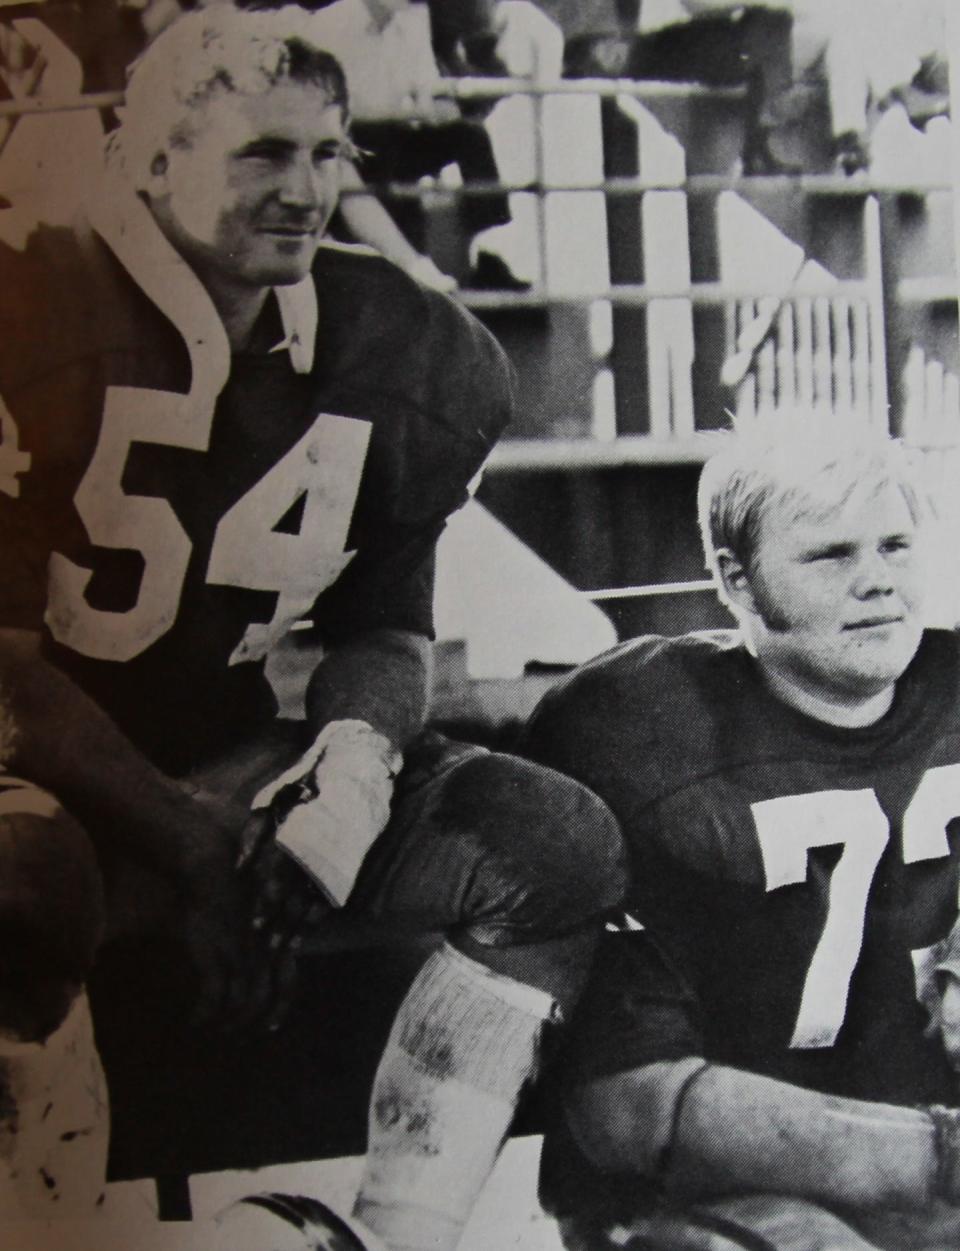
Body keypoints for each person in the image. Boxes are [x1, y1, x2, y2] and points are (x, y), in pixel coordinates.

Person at [0, 5, 626, 1246]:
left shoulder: (399, 341)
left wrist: (337, 791)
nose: (307, 190)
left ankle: (400, 1229)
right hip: (41, 778)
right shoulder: (31, 295)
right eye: (264, 154)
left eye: (330, 154)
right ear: (148, 155)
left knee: (556, 846)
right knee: (23, 876)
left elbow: (387, 623)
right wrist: (192, 848)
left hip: (229, 765)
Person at [522, 416, 960, 1250]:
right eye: (831, 555)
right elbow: (625, 1104)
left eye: (896, 545)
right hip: (701, 1196)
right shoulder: (638, 727)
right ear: (737, 578)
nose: (878, 583)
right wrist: (939, 1154)